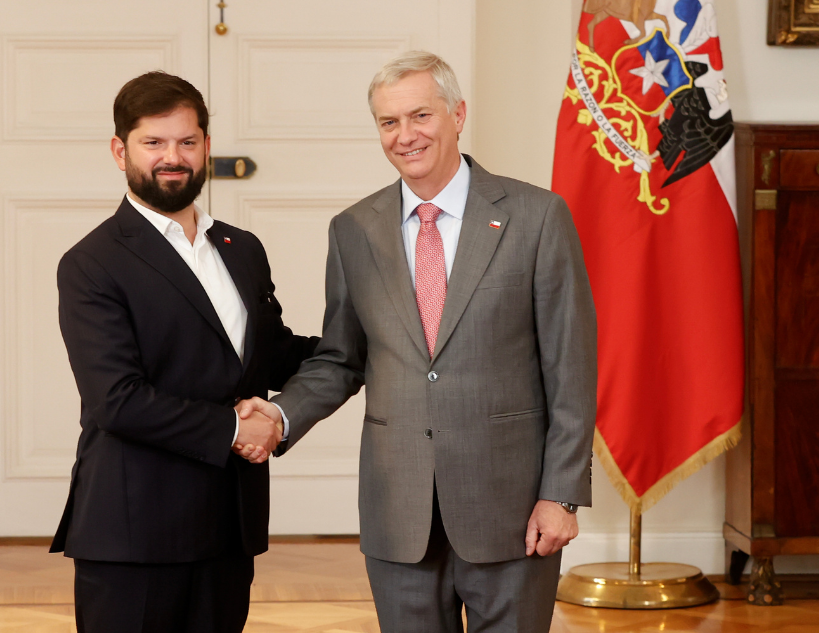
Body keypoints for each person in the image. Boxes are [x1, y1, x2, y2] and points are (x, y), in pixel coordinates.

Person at [236, 51, 597, 633]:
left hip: (511, 507)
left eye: (420, 116)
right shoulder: (354, 229)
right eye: (388, 122)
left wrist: (561, 493)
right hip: (397, 511)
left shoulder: (537, 217)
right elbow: (341, 358)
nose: (405, 136)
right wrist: (280, 415)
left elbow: (571, 368)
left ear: (457, 114)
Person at [50, 71, 319, 633]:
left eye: (187, 142)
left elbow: (267, 355)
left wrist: (374, 346)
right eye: (154, 142)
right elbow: (117, 401)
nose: (173, 157)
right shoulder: (91, 263)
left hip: (227, 524)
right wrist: (235, 428)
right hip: (133, 533)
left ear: (206, 148)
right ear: (120, 151)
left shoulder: (241, 249)